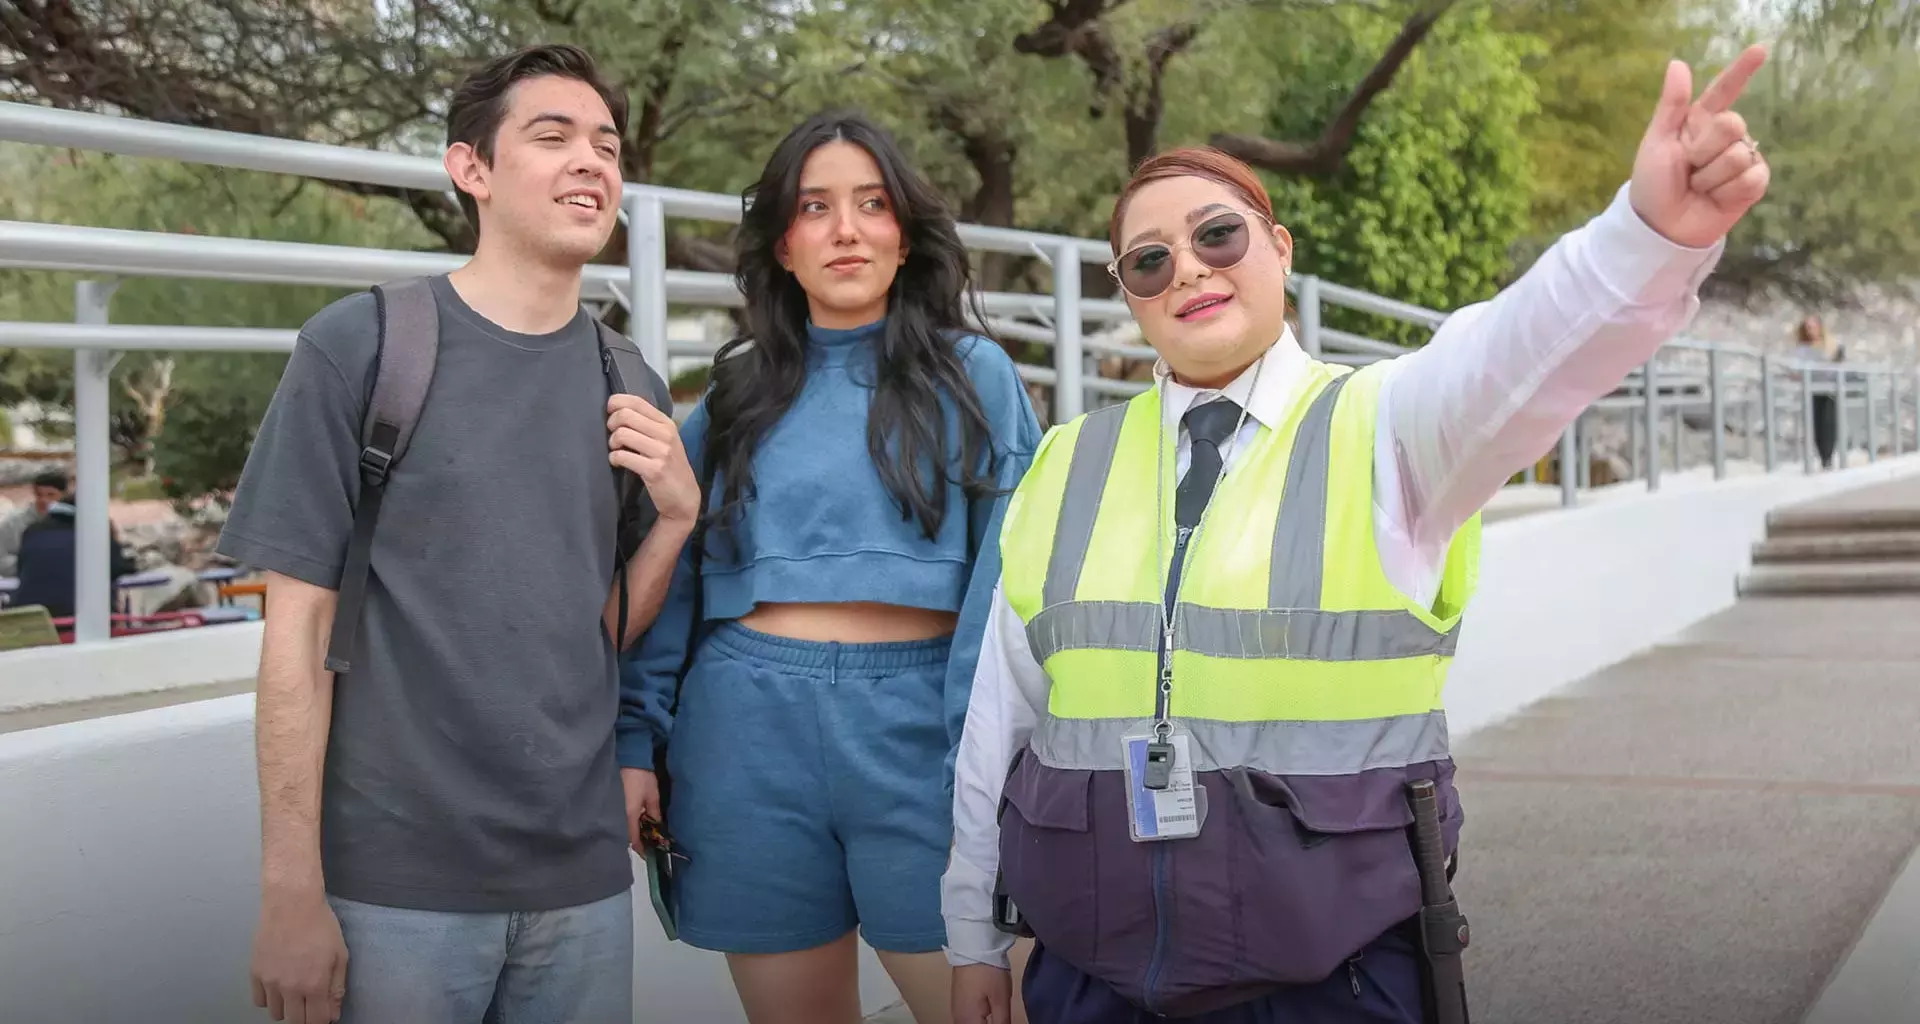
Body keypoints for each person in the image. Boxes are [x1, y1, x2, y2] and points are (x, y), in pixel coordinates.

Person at [945, 46, 1772, 1024]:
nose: (1189, 272)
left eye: (1218, 235)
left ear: (1280, 247)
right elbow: (1000, 723)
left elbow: (1518, 353)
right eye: (1149, 260)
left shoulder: (1387, 430)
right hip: (1091, 987)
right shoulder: (1066, 463)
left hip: (1329, 987)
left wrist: (1644, 241)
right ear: (1128, 294)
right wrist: (972, 936)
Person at [215, 45, 699, 1024]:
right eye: (552, 136)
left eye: (606, 145)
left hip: (584, 882)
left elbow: (599, 628)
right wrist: (288, 891)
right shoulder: (360, 346)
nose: (591, 163)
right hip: (394, 889)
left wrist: (678, 516)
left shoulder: (628, 379)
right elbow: (294, 640)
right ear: (470, 168)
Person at [617, 110, 1042, 1024]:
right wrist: (631, 743)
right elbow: (678, 579)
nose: (845, 229)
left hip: (922, 735)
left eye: (872, 204)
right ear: (783, 243)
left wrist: (990, 765)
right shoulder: (733, 394)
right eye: (816, 207)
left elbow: (1011, 588)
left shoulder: (978, 377)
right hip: (744, 738)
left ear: (904, 234)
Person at [10, 491, 136, 619]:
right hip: (81, 620)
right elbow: (121, 567)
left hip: (29, 618)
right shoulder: (95, 535)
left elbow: (21, 569)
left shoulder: (32, 532)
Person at [0, 468, 69, 576]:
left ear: (64, 495)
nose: (43, 500)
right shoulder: (13, 523)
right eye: (39, 495)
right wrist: (31, 564)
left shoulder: (75, 523)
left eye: (51, 495)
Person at [1795, 315, 1838, 468]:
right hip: (1810, 389)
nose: (1810, 331)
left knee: (1828, 423)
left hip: (1829, 389)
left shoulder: (1829, 345)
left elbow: (1836, 365)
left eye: (1812, 327)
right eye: (1807, 328)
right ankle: (1821, 456)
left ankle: (1827, 458)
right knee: (1815, 424)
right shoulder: (1801, 349)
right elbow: (1795, 367)